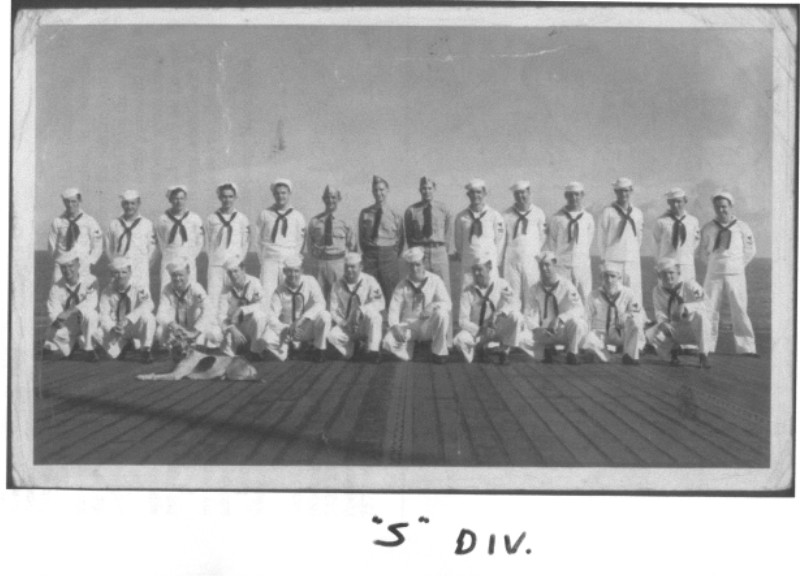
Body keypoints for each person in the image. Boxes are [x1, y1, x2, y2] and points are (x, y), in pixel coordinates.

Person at [698, 191, 758, 355]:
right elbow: (702, 252)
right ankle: (707, 345)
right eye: (717, 207)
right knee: (709, 308)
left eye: (724, 206)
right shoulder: (708, 228)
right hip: (714, 273)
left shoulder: (742, 227)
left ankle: (746, 348)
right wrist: (714, 264)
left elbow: (750, 250)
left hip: (736, 274)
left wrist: (736, 265)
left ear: (731, 206)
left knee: (739, 309)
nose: (721, 210)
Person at [453, 250, 525, 364]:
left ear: (489, 268)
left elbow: (516, 303)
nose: (476, 273)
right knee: (459, 340)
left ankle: (504, 351)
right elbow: (462, 320)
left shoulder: (501, 284)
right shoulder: (467, 291)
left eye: (479, 269)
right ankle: (479, 349)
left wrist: (500, 313)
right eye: (474, 270)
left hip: (497, 328)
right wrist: (480, 330)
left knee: (516, 316)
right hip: (478, 331)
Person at [382, 247, 452, 363]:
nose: (414, 269)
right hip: (410, 326)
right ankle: (411, 349)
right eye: (411, 266)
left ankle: (439, 352)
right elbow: (394, 308)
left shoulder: (435, 280)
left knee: (442, 314)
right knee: (388, 342)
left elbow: (447, 303)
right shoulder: (402, 284)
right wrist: (395, 326)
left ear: (424, 263)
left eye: (418, 265)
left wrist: (432, 306)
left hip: (428, 325)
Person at [519, 251, 588, 364]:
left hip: (562, 330)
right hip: (544, 332)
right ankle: (544, 352)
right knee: (520, 338)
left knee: (579, 323)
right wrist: (536, 329)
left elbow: (579, 309)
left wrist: (561, 319)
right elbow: (528, 313)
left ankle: (572, 353)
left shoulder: (566, 285)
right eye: (541, 266)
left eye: (547, 265)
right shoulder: (534, 289)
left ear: (554, 264)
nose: (544, 268)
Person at [262, 254, 331, 362]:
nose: (293, 274)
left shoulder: (310, 281)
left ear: (302, 271)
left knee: (325, 316)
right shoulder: (279, 290)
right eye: (289, 271)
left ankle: (318, 349)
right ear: (284, 271)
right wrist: (284, 329)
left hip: (305, 327)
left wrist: (302, 319)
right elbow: (271, 315)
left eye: (296, 271)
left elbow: (321, 303)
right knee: (266, 339)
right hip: (288, 330)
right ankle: (289, 349)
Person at [650, 258, 711, 369]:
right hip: (674, 327)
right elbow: (659, 311)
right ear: (659, 276)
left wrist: (686, 307)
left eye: (671, 273)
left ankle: (703, 355)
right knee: (652, 335)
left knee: (702, 316)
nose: (668, 276)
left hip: (693, 328)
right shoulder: (657, 290)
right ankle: (672, 354)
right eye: (664, 274)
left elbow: (706, 303)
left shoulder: (690, 284)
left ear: (678, 272)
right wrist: (662, 322)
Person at [581, 262, 644, 365]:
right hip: (601, 333)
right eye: (606, 276)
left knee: (636, 322)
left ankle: (630, 356)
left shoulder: (628, 293)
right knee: (588, 338)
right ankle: (605, 356)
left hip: (621, 332)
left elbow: (637, 313)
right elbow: (586, 317)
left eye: (612, 276)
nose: (609, 280)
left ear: (619, 278)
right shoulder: (593, 295)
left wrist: (626, 316)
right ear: (601, 277)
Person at [327, 252, 385, 362]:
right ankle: (353, 348)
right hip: (348, 324)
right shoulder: (337, 284)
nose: (349, 270)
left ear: (361, 267)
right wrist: (344, 323)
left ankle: (373, 351)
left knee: (376, 317)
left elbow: (380, 303)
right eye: (347, 267)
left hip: (364, 324)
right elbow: (333, 311)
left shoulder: (370, 280)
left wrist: (361, 310)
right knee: (331, 336)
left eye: (353, 267)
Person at [255, 178, 307, 300]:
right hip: (269, 260)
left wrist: (294, 259)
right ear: (273, 194)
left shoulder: (297, 216)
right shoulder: (265, 214)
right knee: (267, 294)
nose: (280, 196)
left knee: (288, 295)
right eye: (277, 193)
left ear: (289, 194)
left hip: (288, 260)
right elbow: (257, 239)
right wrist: (263, 259)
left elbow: (301, 241)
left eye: (283, 193)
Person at [43, 252, 100, 362]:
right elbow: (53, 312)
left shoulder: (91, 280)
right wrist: (58, 321)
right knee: (50, 333)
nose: (67, 270)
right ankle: (74, 344)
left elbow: (91, 302)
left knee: (92, 314)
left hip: (85, 322)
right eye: (63, 267)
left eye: (70, 266)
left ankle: (89, 349)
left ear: (78, 264)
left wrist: (69, 311)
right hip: (69, 326)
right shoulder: (56, 287)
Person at [97, 256, 156, 363]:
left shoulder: (139, 287)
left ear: (130, 273)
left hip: (134, 325)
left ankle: (146, 349)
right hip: (118, 328)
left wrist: (128, 319)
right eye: (116, 273)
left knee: (148, 317)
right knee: (96, 334)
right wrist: (112, 328)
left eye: (124, 272)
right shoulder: (106, 291)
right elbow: (103, 315)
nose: (120, 276)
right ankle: (124, 345)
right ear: (112, 274)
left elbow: (149, 304)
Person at [545, 181, 595, 303]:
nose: (574, 198)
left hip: (582, 265)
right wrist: (561, 258)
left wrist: (579, 255)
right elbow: (552, 242)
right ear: (565, 196)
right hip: (562, 266)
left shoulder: (588, 218)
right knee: (561, 299)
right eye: (570, 194)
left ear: (582, 195)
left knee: (585, 299)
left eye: (577, 194)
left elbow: (588, 240)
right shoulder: (556, 218)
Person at [598, 177, 645, 307]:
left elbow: (639, 237)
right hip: (613, 259)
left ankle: (636, 318)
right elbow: (601, 237)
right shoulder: (608, 212)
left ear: (631, 191)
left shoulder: (637, 213)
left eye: (626, 191)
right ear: (615, 192)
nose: (623, 194)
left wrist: (632, 252)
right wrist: (604, 258)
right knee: (613, 294)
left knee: (634, 293)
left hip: (632, 259)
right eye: (620, 191)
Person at [205, 182, 251, 315]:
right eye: (224, 196)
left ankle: (232, 325)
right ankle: (214, 326)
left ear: (235, 198)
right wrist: (213, 259)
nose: (227, 200)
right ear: (219, 197)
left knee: (234, 299)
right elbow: (207, 242)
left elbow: (246, 243)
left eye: (230, 196)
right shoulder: (211, 218)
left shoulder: (242, 218)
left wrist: (238, 262)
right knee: (213, 298)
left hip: (234, 266)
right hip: (216, 265)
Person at [305, 185, 357, 301]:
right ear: (323, 199)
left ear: (339, 198)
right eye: (327, 197)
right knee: (318, 299)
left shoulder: (346, 221)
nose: (330, 200)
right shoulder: (314, 221)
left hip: (338, 264)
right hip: (320, 265)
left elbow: (352, 246)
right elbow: (310, 245)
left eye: (333, 197)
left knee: (340, 298)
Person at [500, 180, 547, 308]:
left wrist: (532, 251)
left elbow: (543, 236)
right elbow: (502, 239)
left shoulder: (538, 213)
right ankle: (513, 319)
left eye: (523, 192)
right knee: (512, 296)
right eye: (517, 193)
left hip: (531, 260)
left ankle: (530, 321)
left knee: (531, 295)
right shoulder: (506, 215)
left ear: (529, 192)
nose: (520, 196)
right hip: (511, 261)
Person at [358, 175, 404, 304]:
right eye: (376, 190)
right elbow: (361, 238)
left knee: (391, 294)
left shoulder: (396, 214)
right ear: (372, 192)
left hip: (389, 257)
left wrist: (391, 254)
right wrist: (369, 252)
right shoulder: (365, 213)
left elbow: (400, 239)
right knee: (369, 294)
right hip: (370, 257)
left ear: (387, 190)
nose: (379, 193)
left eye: (382, 190)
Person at [155, 257, 221, 348]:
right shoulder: (167, 289)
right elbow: (160, 313)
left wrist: (195, 332)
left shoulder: (196, 288)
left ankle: (199, 345)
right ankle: (178, 346)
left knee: (215, 334)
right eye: (174, 275)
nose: (177, 278)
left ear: (188, 273)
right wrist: (174, 326)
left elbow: (208, 310)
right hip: (177, 328)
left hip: (195, 327)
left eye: (180, 275)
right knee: (159, 332)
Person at [403, 176, 454, 292]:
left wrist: (443, 249)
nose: (427, 191)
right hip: (421, 252)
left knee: (444, 288)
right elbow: (409, 236)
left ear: (434, 189)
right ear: (420, 190)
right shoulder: (411, 210)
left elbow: (448, 233)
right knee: (421, 287)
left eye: (429, 188)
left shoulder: (444, 209)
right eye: (424, 188)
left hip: (439, 252)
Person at [453, 178, 506, 286]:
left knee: (490, 290)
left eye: (478, 192)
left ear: (485, 193)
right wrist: (465, 256)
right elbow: (458, 241)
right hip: (469, 261)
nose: (475, 195)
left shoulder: (495, 215)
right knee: (468, 291)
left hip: (488, 260)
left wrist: (496, 260)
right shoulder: (461, 217)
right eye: (472, 192)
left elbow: (500, 240)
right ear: (468, 195)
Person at [217, 256, 268, 359]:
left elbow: (263, 305)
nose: (233, 275)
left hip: (250, 324)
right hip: (234, 326)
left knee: (260, 316)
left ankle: (255, 351)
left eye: (236, 271)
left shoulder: (254, 282)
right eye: (230, 273)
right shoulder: (226, 288)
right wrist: (232, 329)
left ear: (243, 269)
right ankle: (237, 349)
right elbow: (221, 315)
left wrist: (242, 310)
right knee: (227, 356)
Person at [105, 189, 157, 291]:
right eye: (126, 203)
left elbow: (153, 250)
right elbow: (108, 247)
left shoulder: (147, 224)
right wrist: (116, 264)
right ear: (122, 204)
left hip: (140, 270)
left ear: (138, 204)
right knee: (119, 296)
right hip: (120, 270)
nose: (129, 207)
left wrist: (144, 265)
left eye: (133, 203)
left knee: (140, 296)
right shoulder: (114, 224)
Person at [48, 188, 103, 282]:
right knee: (58, 289)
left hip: (82, 266)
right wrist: (59, 260)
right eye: (67, 202)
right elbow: (51, 245)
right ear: (64, 202)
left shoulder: (89, 221)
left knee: (81, 290)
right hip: (62, 266)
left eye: (73, 201)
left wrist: (90, 261)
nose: (70, 205)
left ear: (79, 201)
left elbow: (98, 244)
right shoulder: (57, 221)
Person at [155, 186, 205, 290]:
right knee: (167, 289)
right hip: (169, 258)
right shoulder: (162, 219)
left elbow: (199, 241)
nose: (179, 202)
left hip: (188, 259)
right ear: (170, 200)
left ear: (186, 199)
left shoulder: (194, 218)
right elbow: (160, 240)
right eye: (175, 198)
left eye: (182, 198)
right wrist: (169, 254)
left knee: (189, 289)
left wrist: (190, 255)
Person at [652, 187, 701, 281]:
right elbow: (655, 244)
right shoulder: (661, 221)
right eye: (672, 202)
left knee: (688, 288)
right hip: (667, 266)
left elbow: (696, 243)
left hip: (687, 265)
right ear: (668, 203)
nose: (675, 205)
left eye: (678, 201)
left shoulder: (693, 221)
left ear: (685, 201)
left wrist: (686, 256)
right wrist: (661, 263)